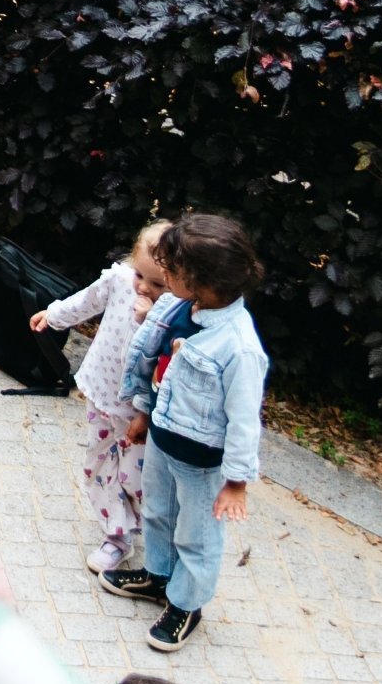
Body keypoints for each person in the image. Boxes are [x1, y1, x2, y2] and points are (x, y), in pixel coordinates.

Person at [98, 212, 267, 653]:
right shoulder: (178, 307)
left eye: (171, 269)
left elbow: (246, 422)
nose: (163, 274)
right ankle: (158, 574)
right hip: (162, 439)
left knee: (197, 535)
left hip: (202, 461)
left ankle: (186, 604)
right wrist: (142, 414)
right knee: (156, 510)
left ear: (202, 279)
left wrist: (236, 483)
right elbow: (159, 369)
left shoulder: (239, 347)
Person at [35, 219, 176, 578]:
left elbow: (167, 362)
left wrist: (152, 320)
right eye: (140, 276)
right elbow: (87, 301)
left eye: (157, 283)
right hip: (100, 392)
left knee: (134, 477)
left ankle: (149, 526)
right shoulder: (118, 280)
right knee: (97, 466)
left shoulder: (175, 311)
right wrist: (53, 316)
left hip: (139, 412)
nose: (144, 287)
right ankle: (117, 537)